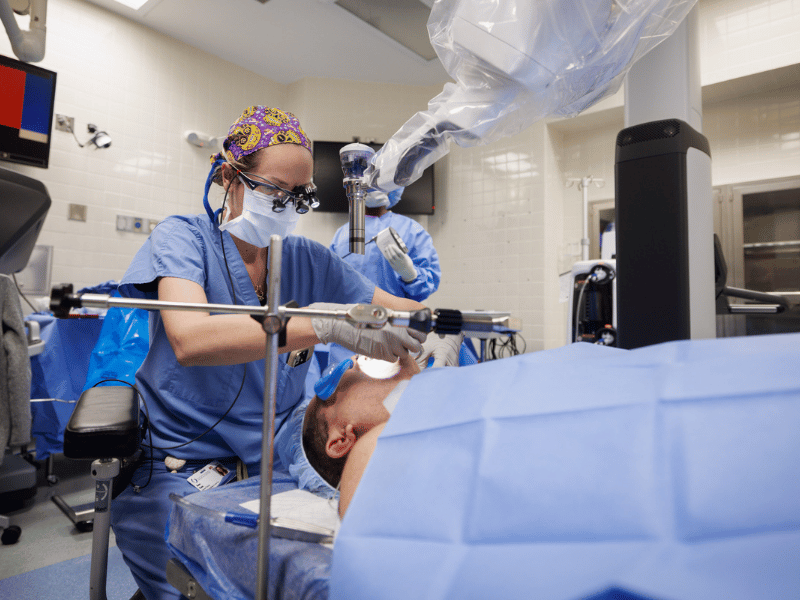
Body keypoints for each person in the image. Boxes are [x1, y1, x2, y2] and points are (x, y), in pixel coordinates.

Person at [109, 106, 456, 600]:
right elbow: (190, 339)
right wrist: (321, 323)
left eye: (302, 195)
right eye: (275, 190)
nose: (289, 206)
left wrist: (436, 329)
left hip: (283, 451)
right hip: (179, 464)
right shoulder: (183, 238)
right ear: (229, 175)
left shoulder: (307, 258)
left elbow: (401, 310)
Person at [329, 187, 441, 303]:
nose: (374, 188)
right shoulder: (342, 234)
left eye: (379, 183)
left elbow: (429, 284)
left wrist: (410, 275)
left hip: (395, 317)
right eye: (368, 184)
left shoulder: (412, 230)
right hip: (351, 316)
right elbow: (331, 283)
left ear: (393, 187)